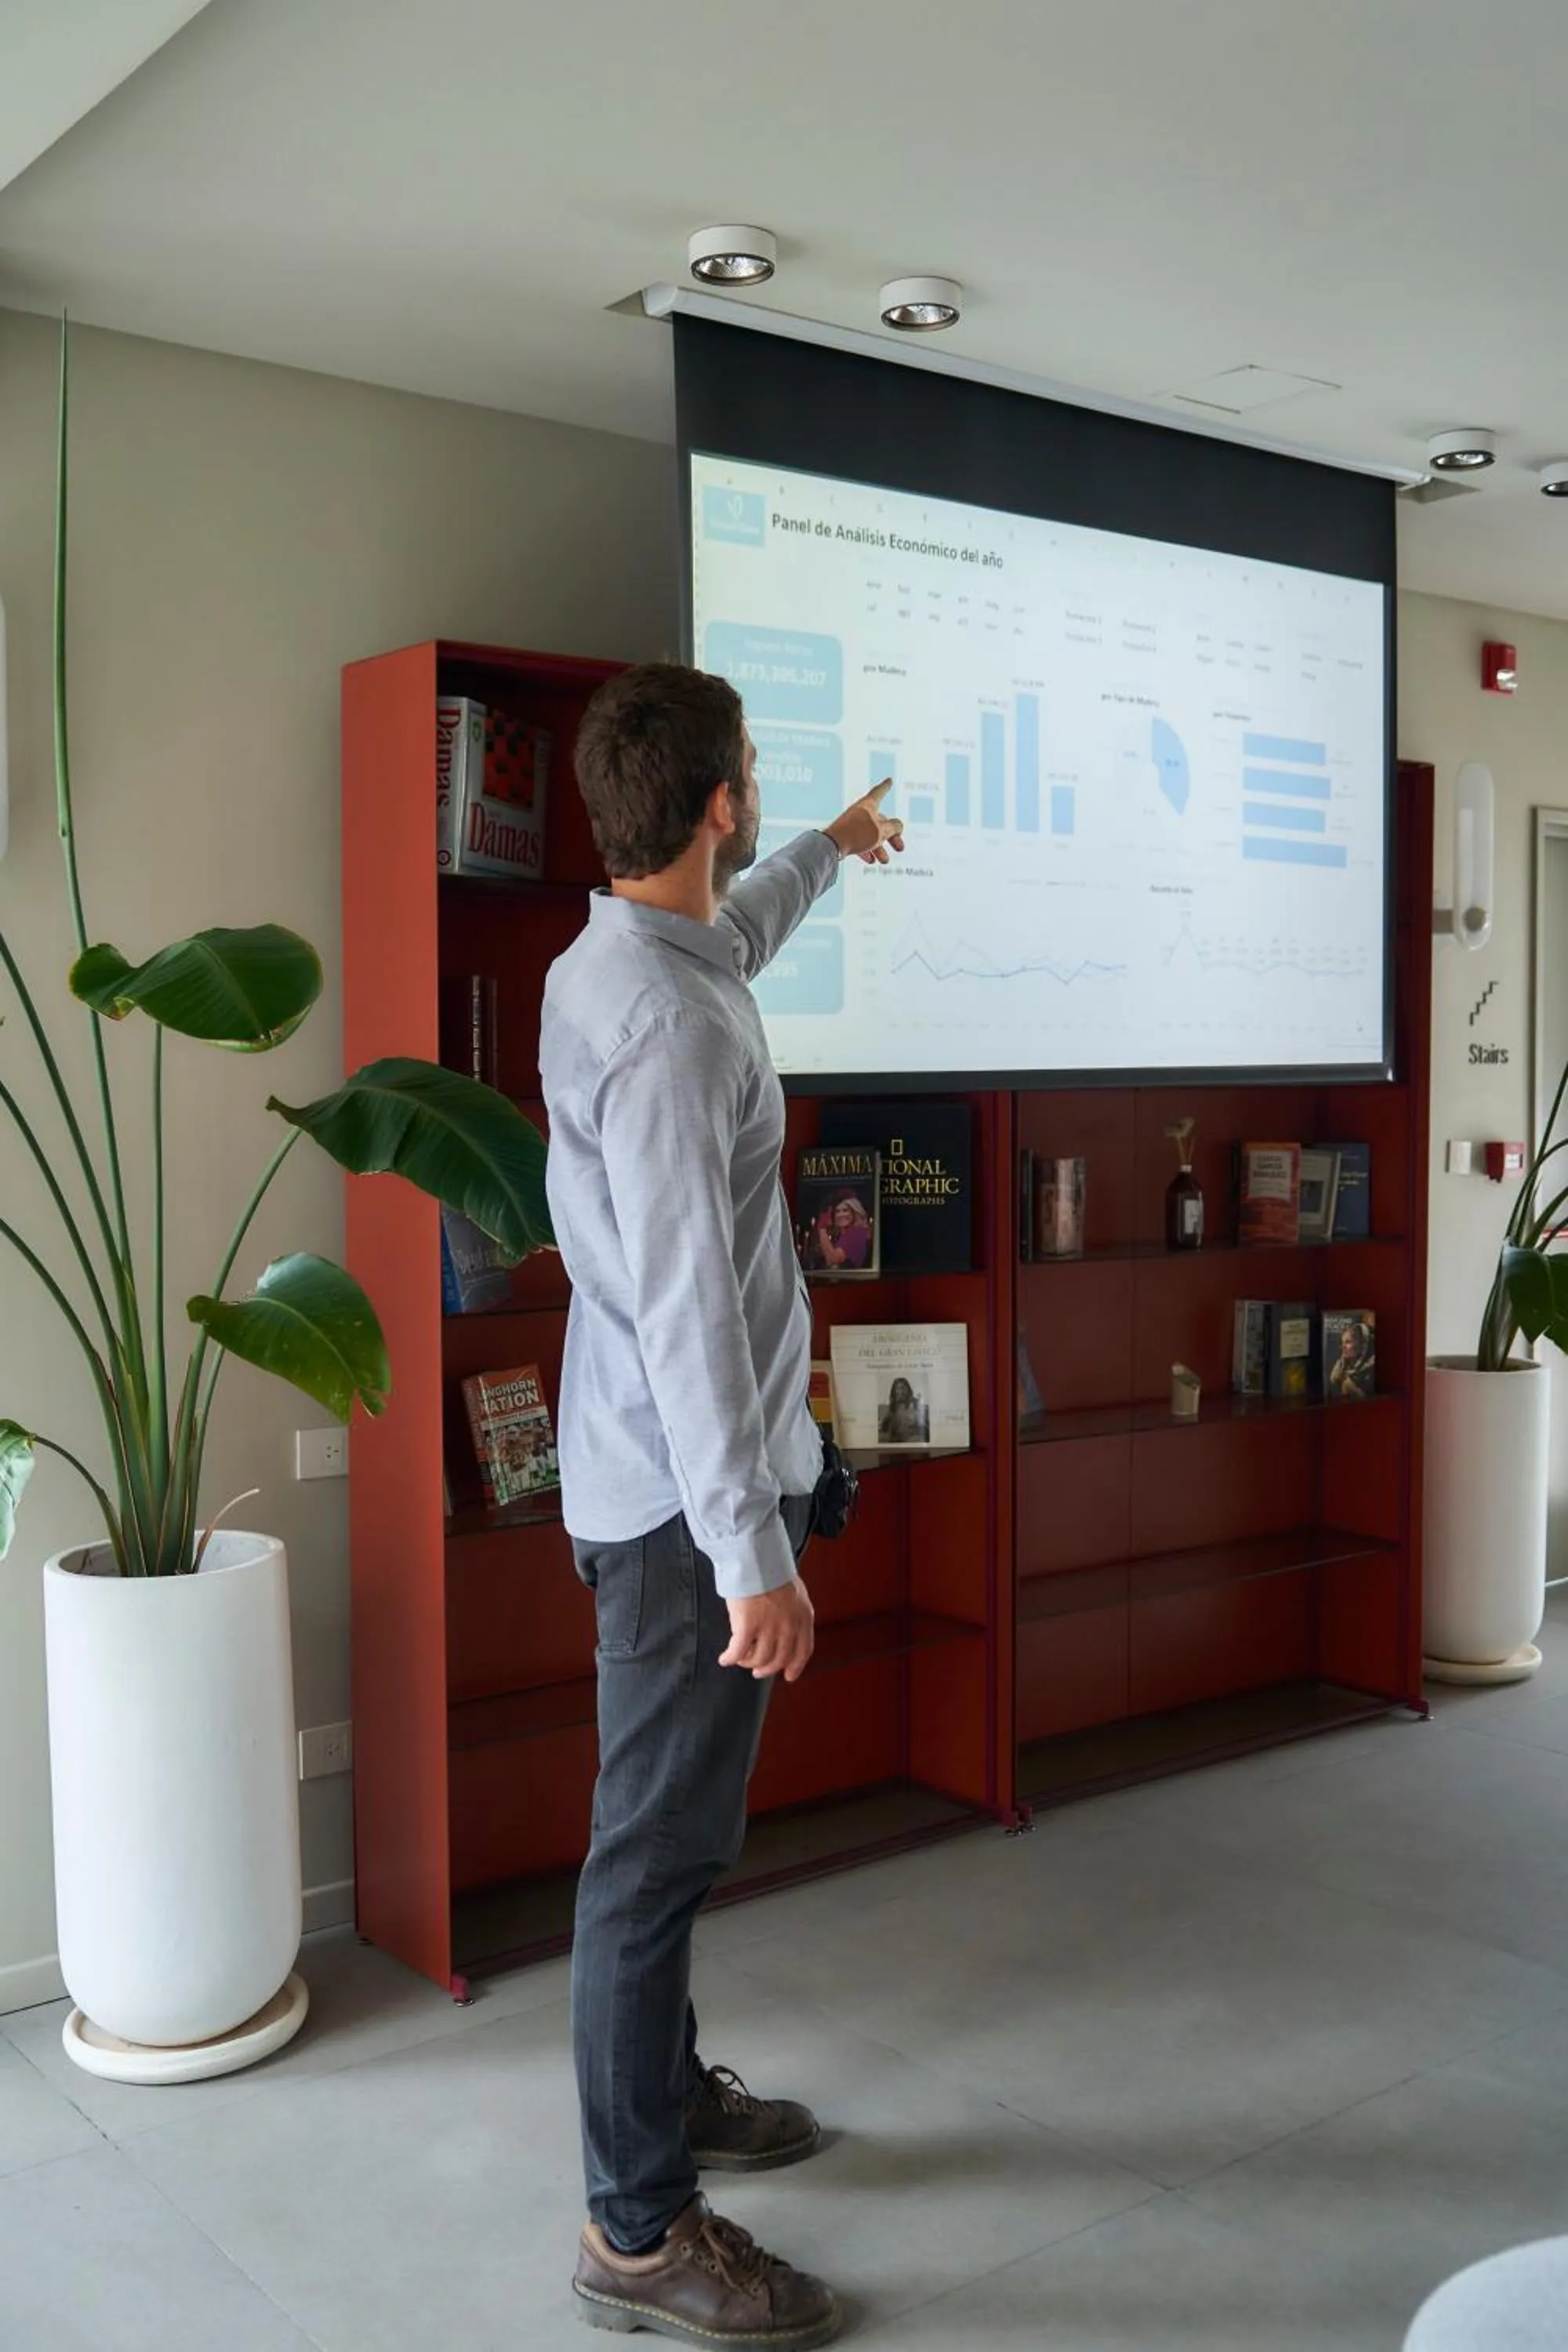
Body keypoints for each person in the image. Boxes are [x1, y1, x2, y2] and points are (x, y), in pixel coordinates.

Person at [539, 662, 902, 2347]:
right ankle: (635, 2231)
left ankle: (665, 2097)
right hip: (687, 1514)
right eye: (755, 778)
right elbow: (691, 1314)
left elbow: (737, 927)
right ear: (714, 803)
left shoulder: (628, 954)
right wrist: (754, 1558)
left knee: (666, 1848)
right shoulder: (674, 1037)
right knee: (652, 1856)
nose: (755, 798)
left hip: (651, 1476)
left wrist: (830, 846)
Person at [878, 1374, 928, 1444]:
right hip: (896, 1440)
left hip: (912, 1439)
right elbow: (883, 1426)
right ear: (894, 1391)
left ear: (908, 1390)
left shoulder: (914, 1404)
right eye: (898, 1388)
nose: (901, 1391)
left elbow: (922, 1425)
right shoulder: (893, 1407)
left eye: (903, 1388)